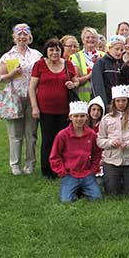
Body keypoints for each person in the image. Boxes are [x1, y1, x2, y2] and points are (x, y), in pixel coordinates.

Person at [29, 38, 79, 178]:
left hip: (65, 110)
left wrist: (73, 84)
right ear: (46, 51)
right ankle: (47, 170)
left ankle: (63, 168)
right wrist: (34, 107)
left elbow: (76, 80)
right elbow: (32, 88)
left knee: (64, 140)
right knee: (48, 140)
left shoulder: (68, 64)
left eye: (57, 49)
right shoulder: (39, 65)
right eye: (51, 50)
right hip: (46, 110)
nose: (55, 52)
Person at [0, 23, 42, 175]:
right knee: (15, 134)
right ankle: (15, 165)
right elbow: (0, 79)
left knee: (31, 133)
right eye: (19, 34)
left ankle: (30, 164)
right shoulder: (7, 56)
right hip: (14, 97)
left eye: (25, 34)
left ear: (29, 37)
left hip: (33, 97)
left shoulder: (36, 55)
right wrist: (11, 74)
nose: (22, 37)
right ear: (14, 37)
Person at [96, 85, 129, 195]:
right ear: (114, 102)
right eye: (118, 101)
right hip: (112, 160)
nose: (121, 103)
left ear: (128, 101)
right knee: (112, 192)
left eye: (123, 100)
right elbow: (99, 140)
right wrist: (110, 143)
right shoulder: (106, 119)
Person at [49, 101, 102, 202]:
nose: (79, 119)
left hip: (86, 173)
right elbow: (55, 156)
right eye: (76, 116)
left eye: (82, 116)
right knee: (66, 200)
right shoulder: (62, 135)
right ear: (70, 117)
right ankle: (77, 188)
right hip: (70, 173)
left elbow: (97, 154)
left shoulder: (91, 134)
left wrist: (93, 169)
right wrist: (62, 172)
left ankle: (81, 189)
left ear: (87, 117)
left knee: (97, 198)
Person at [69, 27, 104, 102]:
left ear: (97, 40)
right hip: (82, 99)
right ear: (83, 40)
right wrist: (89, 76)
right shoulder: (75, 57)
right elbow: (75, 80)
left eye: (93, 37)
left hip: (100, 97)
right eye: (87, 37)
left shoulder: (103, 56)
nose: (90, 39)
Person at [91, 35, 126, 105]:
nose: (119, 52)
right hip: (105, 102)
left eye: (121, 50)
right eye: (117, 49)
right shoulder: (101, 63)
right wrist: (103, 103)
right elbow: (97, 85)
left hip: (118, 104)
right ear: (109, 48)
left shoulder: (121, 64)